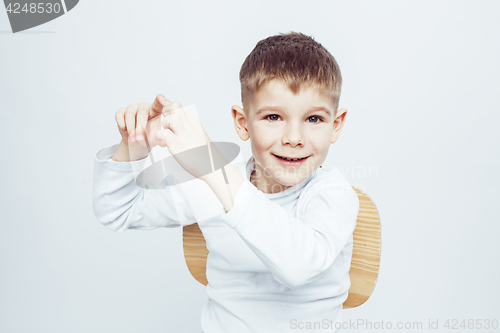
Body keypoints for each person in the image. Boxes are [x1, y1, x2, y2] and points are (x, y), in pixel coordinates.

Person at [93, 31, 360, 333]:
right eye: (273, 117)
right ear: (242, 122)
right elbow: (117, 210)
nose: (293, 139)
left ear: (335, 125)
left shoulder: (333, 194)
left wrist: (211, 166)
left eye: (314, 119)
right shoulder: (213, 180)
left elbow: (298, 266)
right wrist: (133, 146)